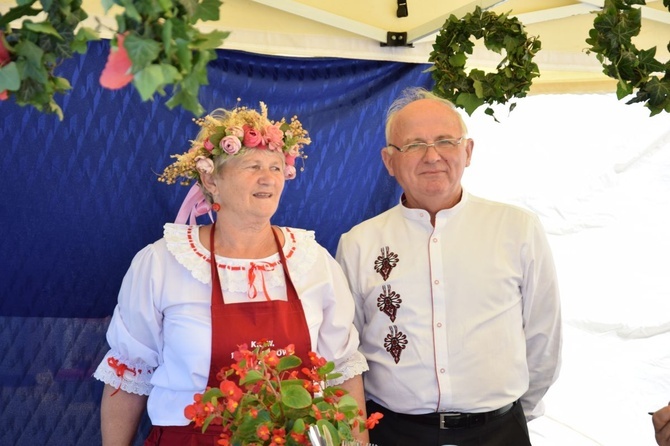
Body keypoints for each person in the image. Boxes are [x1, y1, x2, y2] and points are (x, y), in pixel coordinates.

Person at [94, 103, 370, 445]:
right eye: (252, 166)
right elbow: (127, 375)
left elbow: (342, 371)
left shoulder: (314, 262)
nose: (268, 177)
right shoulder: (161, 263)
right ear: (211, 179)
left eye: (275, 166)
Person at [335, 87, 562, 446]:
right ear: (389, 161)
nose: (432, 156)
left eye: (445, 141)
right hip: (396, 434)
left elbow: (543, 336)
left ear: (467, 151)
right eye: (413, 145)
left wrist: (511, 412)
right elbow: (346, 350)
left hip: (499, 433)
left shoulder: (517, 228)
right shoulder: (359, 244)